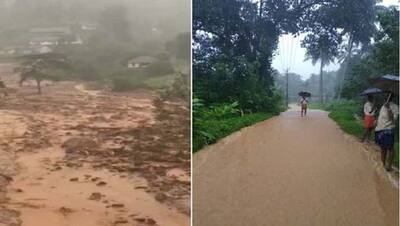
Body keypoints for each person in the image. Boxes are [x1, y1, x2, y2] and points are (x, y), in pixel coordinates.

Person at [375, 92, 399, 171]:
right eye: (385, 95)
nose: (385, 96)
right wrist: (377, 121)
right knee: (382, 147)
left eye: (387, 95)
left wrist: (389, 108)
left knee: (390, 148)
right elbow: (381, 117)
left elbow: (393, 119)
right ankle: (383, 164)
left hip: (388, 130)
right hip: (380, 129)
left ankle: (389, 165)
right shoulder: (383, 105)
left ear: (391, 97)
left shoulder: (395, 106)